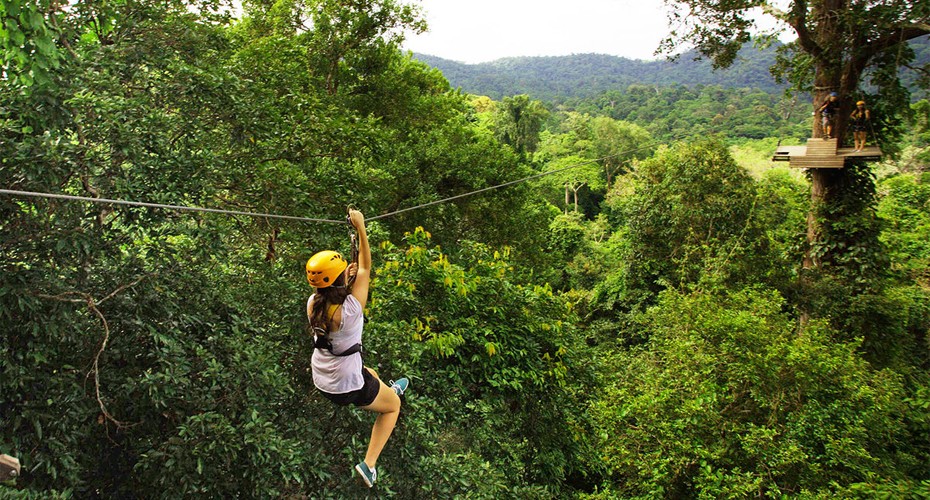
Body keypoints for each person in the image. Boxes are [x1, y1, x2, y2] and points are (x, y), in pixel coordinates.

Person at [306, 209, 408, 488]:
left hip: (323, 376)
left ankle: (386, 389)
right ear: (341, 279)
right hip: (344, 385)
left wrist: (346, 278)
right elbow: (365, 267)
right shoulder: (351, 310)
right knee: (392, 408)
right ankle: (369, 464)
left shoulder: (313, 304)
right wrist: (361, 228)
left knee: (369, 372)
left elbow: (345, 283)